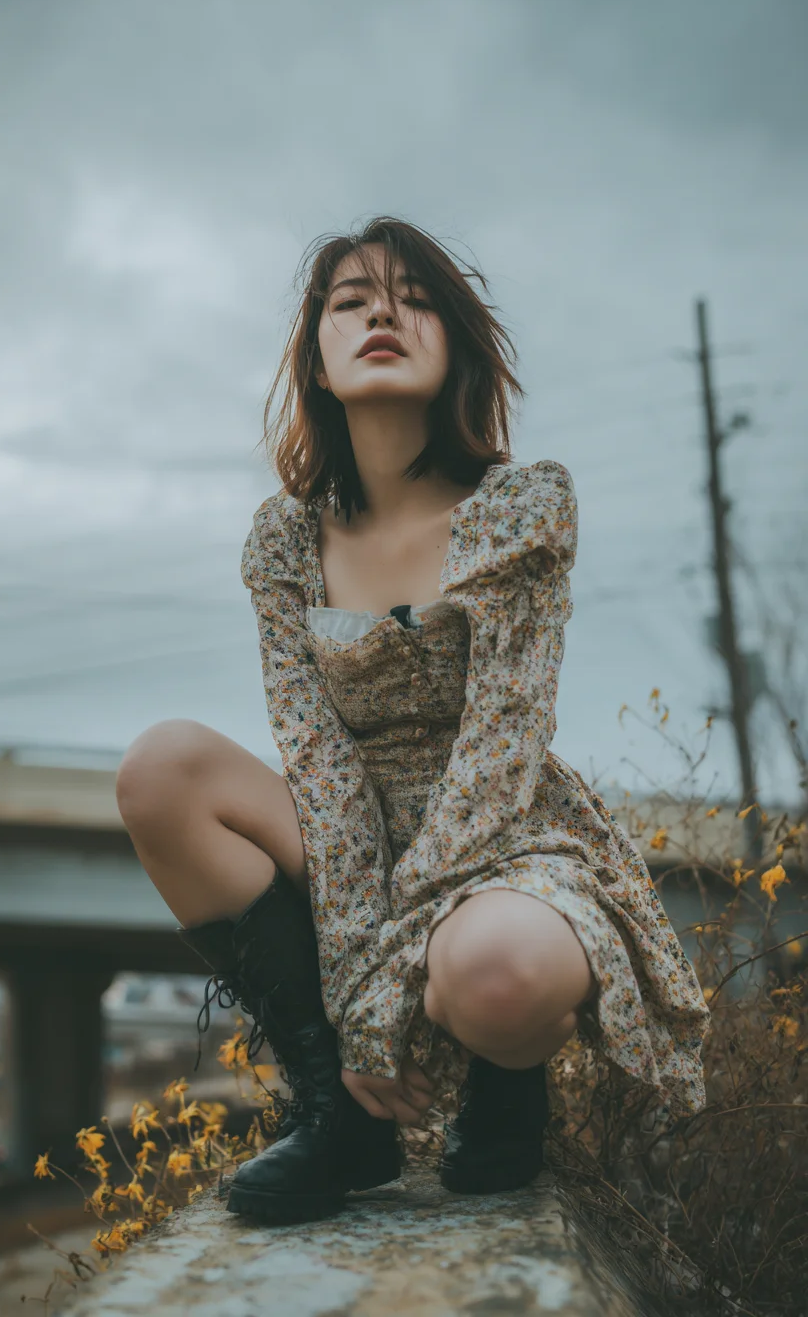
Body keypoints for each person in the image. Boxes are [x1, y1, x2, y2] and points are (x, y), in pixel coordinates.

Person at [115, 217, 711, 1225]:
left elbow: (499, 745)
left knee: (492, 973)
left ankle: (503, 1075)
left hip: (503, 828)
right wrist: (359, 1006)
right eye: (350, 300)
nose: (382, 312)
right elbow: (316, 759)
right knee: (160, 768)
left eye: (413, 296)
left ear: (456, 345)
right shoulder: (282, 539)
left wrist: (397, 978)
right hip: (351, 835)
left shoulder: (520, 507)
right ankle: (340, 1120)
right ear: (316, 353)